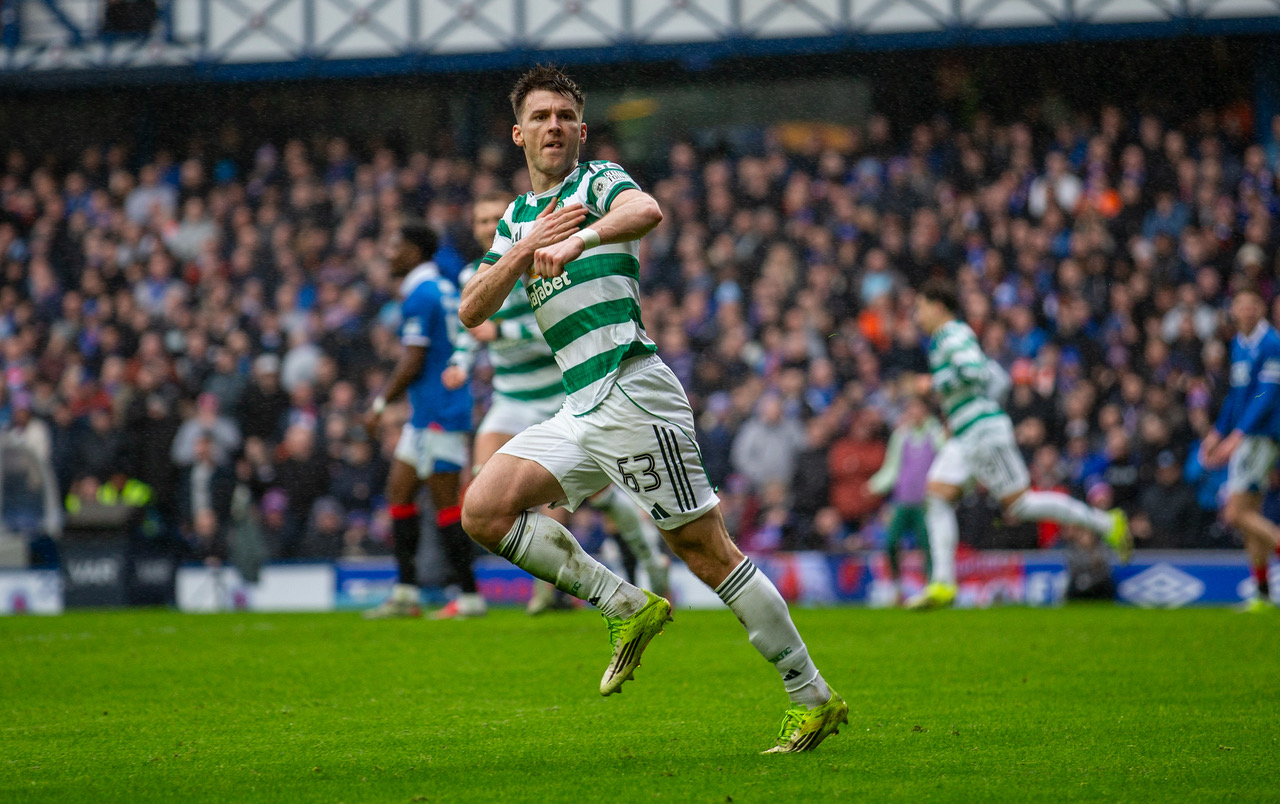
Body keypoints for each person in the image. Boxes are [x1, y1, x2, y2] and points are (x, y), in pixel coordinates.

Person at [457, 66, 845, 753]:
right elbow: (471, 308)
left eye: (564, 117)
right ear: (518, 133)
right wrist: (524, 248)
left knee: (706, 552)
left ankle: (810, 694)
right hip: (580, 403)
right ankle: (624, 603)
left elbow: (649, 211)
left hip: (632, 388)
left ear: (580, 130)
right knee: (483, 509)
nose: (553, 127)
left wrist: (577, 239)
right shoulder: (517, 218)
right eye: (540, 117)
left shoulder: (599, 182)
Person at [451, 191, 670, 613]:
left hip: (558, 395)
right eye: (480, 220)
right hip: (510, 397)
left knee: (600, 496)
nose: (486, 226)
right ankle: (549, 587)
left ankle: (647, 560)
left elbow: (553, 330)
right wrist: (460, 363)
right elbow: (468, 330)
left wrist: (503, 336)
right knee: (485, 488)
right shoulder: (475, 277)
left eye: (494, 218)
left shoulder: (543, 261)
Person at [908, 277, 1132, 610]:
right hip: (966, 433)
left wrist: (933, 383)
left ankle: (1106, 523)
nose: (917, 315)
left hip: (982, 433)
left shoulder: (952, 334)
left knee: (1021, 505)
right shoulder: (949, 338)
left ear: (937, 306)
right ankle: (943, 583)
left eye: (920, 307)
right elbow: (995, 378)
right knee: (936, 497)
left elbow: (976, 372)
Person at [362, 223, 486, 620]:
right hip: (426, 415)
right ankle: (405, 592)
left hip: (440, 413)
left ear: (416, 252)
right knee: (399, 492)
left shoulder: (421, 294)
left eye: (396, 245)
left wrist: (380, 404)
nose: (389, 253)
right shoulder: (444, 288)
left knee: (446, 505)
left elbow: (413, 360)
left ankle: (468, 596)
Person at [1200, 287, 1280, 612]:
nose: (1245, 311)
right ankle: (1262, 594)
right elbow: (1236, 396)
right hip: (1246, 434)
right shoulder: (1239, 344)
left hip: (1261, 436)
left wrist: (1238, 436)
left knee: (1235, 513)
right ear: (1233, 310)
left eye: (1251, 306)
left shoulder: (1271, 343)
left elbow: (1266, 394)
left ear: (1260, 308)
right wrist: (1217, 432)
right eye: (1240, 306)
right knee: (1250, 512)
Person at [866, 396, 944, 604]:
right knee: (891, 542)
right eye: (910, 409)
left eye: (917, 408)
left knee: (928, 545)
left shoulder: (936, 434)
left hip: (926, 503)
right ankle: (896, 585)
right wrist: (874, 486)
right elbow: (892, 468)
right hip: (903, 500)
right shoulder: (901, 436)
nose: (913, 414)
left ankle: (932, 585)